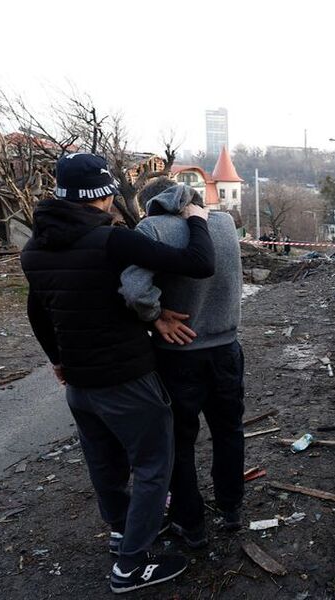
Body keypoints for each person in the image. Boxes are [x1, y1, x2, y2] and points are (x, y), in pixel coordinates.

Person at [21, 154, 215, 595]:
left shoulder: (34, 249)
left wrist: (57, 360)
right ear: (104, 194)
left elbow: (38, 311)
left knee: (104, 464)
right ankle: (131, 566)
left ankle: (121, 530)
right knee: (152, 467)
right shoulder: (112, 241)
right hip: (127, 381)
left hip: (79, 385)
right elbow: (199, 262)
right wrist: (198, 218)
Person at [119, 179, 245, 549]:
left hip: (178, 355)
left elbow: (135, 290)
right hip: (227, 349)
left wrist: (155, 314)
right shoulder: (222, 222)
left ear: (148, 203)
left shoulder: (152, 228)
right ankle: (231, 508)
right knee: (229, 432)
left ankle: (191, 526)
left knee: (179, 443)